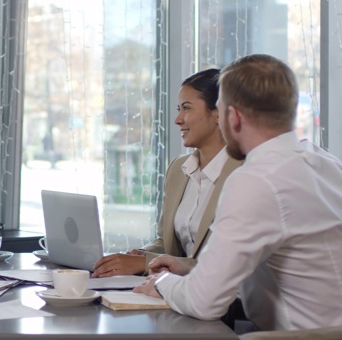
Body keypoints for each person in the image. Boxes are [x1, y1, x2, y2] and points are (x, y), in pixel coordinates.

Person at [134, 54, 342, 331]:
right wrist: (193, 269)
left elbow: (203, 303)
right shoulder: (326, 163)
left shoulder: (256, 180)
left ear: (232, 116)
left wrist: (161, 283)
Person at [93, 69, 242, 278]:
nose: (178, 119)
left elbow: (226, 265)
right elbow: (166, 243)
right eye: (178, 109)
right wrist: (140, 255)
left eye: (187, 109)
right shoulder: (178, 170)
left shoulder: (242, 173)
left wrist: (145, 263)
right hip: (176, 294)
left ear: (218, 113)